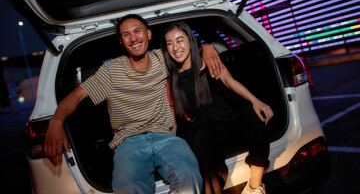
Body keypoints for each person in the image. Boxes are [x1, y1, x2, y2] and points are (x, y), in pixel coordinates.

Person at [44, 14, 224, 194]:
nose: (133, 38)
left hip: (166, 137)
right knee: (128, 188)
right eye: (126, 34)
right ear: (122, 43)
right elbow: (76, 96)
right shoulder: (110, 71)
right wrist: (56, 121)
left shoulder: (163, 59)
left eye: (137, 31)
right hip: (129, 142)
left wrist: (206, 48)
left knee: (188, 176)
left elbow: (185, 54)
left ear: (148, 34)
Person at [160, 22, 274, 194]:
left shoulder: (207, 60)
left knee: (254, 115)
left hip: (227, 118)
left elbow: (229, 81)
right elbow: (173, 117)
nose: (175, 47)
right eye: (170, 43)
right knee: (206, 167)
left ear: (190, 41)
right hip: (202, 128)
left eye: (179, 40)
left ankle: (254, 186)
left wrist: (255, 100)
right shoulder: (171, 78)